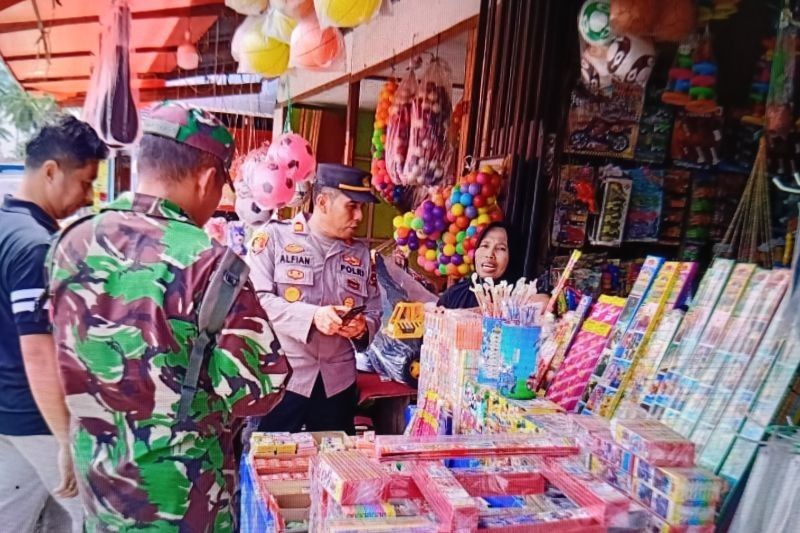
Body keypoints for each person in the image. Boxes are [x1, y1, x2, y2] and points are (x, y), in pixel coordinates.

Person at [46, 103, 290, 531]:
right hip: (182, 502)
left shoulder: (69, 243)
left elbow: (61, 353)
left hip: (101, 485)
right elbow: (258, 393)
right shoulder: (210, 264)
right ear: (208, 179)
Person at [0, 115, 108, 533]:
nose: (88, 197)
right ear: (51, 172)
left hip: (9, 413)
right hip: (36, 417)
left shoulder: (8, 226)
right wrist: (65, 437)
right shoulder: (34, 246)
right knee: (93, 518)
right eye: (84, 183)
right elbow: (38, 350)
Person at [249, 163, 382, 435]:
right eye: (351, 206)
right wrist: (312, 316)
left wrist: (362, 328)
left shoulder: (362, 255)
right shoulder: (273, 238)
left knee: (334, 464)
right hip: (282, 378)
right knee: (269, 464)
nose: (358, 216)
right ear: (322, 202)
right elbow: (256, 300)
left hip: (338, 384)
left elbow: (375, 311)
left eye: (362, 208)